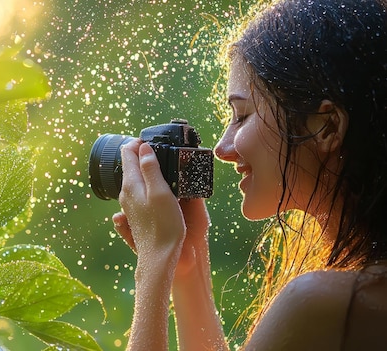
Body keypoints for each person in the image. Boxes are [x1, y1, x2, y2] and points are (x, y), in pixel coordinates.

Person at [111, 0, 387, 349]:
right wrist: (187, 268)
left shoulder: (325, 304)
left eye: (241, 116)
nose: (222, 149)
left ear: (327, 126)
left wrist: (153, 264)